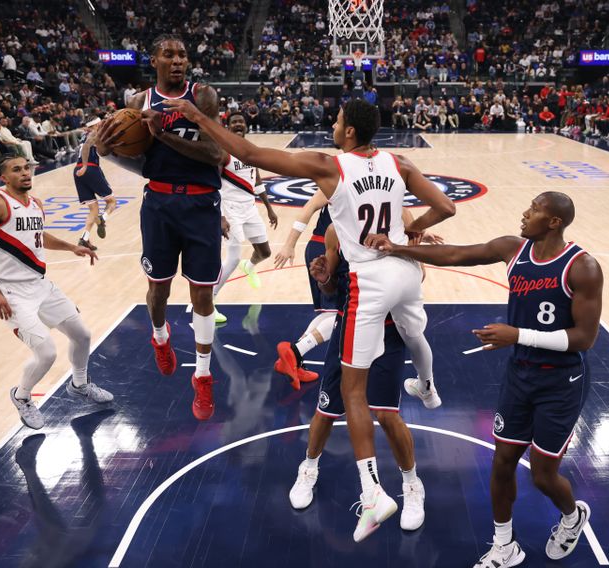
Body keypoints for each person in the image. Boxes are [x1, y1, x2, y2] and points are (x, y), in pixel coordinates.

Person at [166, 97, 456, 540]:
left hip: (370, 289)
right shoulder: (398, 164)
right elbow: (446, 208)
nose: (332, 124)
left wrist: (199, 118)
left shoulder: (331, 167)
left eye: (337, 120)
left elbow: (251, 155)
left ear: (350, 133)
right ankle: (415, 394)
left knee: (356, 394)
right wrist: (406, 235)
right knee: (341, 397)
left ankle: (380, 492)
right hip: (401, 280)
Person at [366, 191, 603, 566]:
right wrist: (398, 249)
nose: (525, 212)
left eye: (535, 208)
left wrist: (517, 335)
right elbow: (456, 254)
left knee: (543, 476)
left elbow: (584, 338)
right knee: (502, 461)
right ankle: (504, 546)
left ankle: (573, 516)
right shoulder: (514, 249)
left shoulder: (582, 267)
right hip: (520, 375)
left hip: (560, 383)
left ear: (554, 222)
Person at [98, 34, 224, 421]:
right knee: (158, 290)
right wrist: (107, 151)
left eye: (183, 54)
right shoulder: (137, 104)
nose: (177, 60)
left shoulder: (203, 97)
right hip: (159, 205)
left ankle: (202, 378)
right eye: (168, 54)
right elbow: (139, 160)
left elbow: (216, 154)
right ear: (154, 60)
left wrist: (163, 134)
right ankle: (160, 337)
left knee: (203, 296)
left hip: (202, 202)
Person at [289, 222, 428, 536]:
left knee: (386, 414)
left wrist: (404, 252)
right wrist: (324, 279)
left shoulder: (398, 227)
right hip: (346, 326)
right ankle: (308, 468)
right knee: (326, 410)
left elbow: (417, 280)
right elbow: (330, 290)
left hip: (389, 330)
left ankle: (411, 484)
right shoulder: (335, 232)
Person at [0, 155, 113, 429]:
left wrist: (71, 247)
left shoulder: (35, 204)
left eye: (27, 168)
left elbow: (40, 237)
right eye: (16, 170)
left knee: (82, 334)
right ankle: (22, 396)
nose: (25, 173)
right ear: (4, 177)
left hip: (40, 285)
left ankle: (79, 384)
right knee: (46, 353)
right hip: (10, 292)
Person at [212, 112, 278, 324]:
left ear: (246, 126)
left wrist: (269, 208)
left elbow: (256, 180)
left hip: (250, 208)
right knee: (232, 258)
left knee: (265, 252)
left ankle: (249, 267)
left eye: (241, 122)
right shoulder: (223, 151)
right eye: (234, 122)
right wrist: (221, 216)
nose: (238, 125)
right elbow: (213, 184)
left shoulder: (249, 151)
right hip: (230, 210)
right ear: (228, 126)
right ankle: (208, 302)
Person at [272, 190, 336, 389]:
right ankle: (296, 351)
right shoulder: (337, 180)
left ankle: (291, 359)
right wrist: (289, 244)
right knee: (344, 313)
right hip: (326, 250)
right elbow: (307, 210)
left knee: (332, 312)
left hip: (325, 248)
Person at [74, 118, 116, 251]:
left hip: (77, 170)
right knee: (111, 202)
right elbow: (87, 146)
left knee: (93, 209)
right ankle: (103, 218)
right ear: (96, 124)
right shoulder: (94, 133)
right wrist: (86, 166)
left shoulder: (84, 135)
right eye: (100, 123)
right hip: (90, 168)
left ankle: (84, 239)